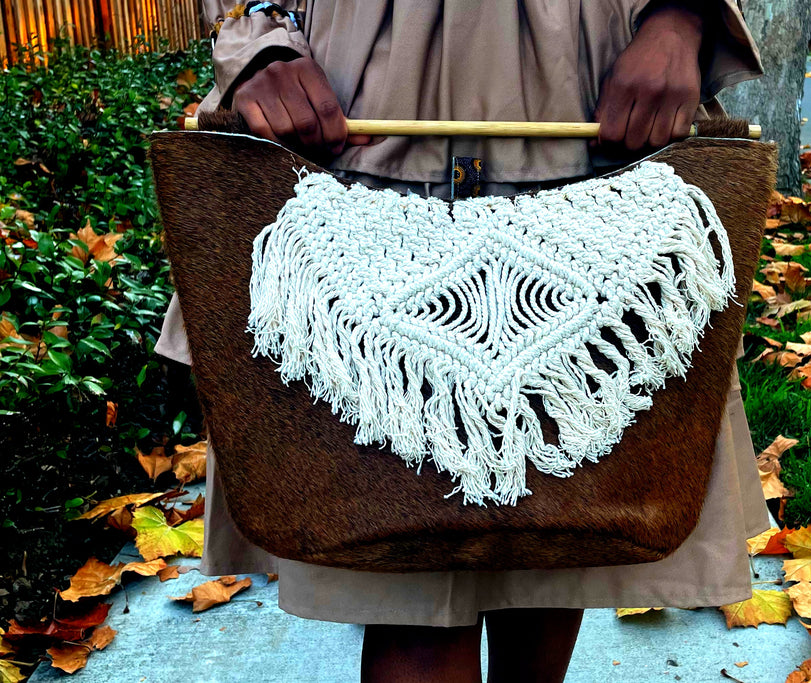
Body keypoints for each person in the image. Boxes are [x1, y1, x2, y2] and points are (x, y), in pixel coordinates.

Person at [155, 2, 770, 681]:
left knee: (564, 529)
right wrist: (258, 38)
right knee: (403, 576)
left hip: (585, 76)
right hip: (359, 93)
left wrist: (681, 17)